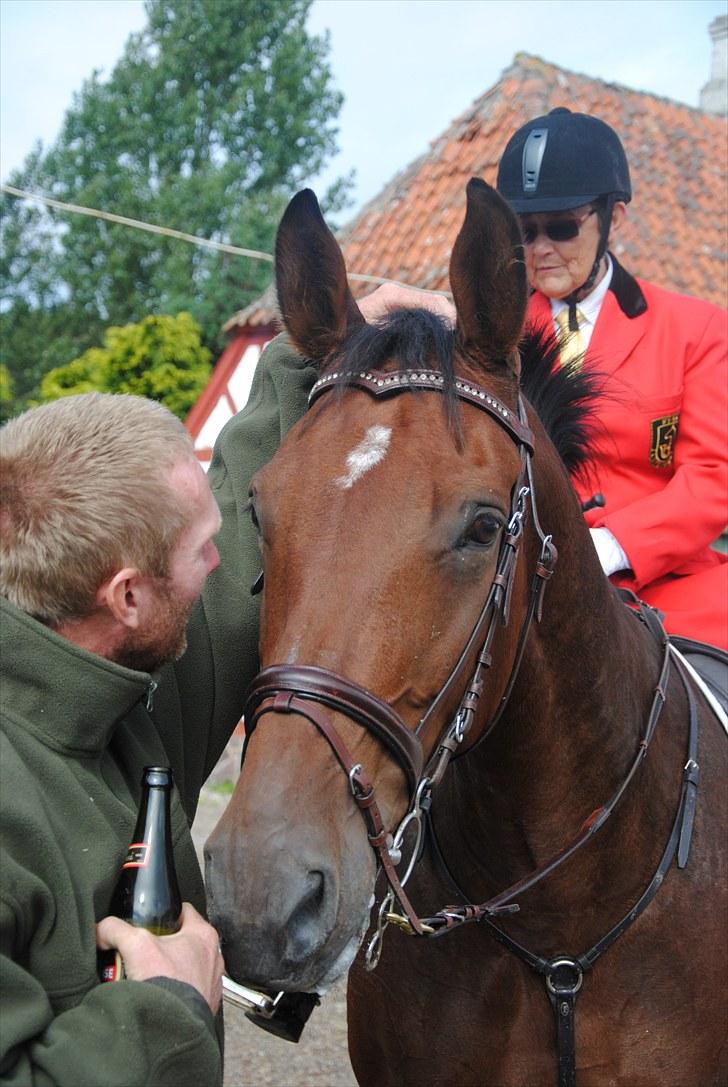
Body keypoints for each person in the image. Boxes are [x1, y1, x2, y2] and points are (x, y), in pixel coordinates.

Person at [0, 392, 252, 1085]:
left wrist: (305, 354)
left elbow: (235, 585)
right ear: (129, 598)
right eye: (202, 545)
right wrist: (164, 1009)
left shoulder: (113, 678)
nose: (221, 560)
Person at [496, 108, 728, 650]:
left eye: (561, 227)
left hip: (665, 585)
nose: (540, 248)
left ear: (613, 218)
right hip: (520, 581)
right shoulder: (495, 337)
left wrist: (614, 546)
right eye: (524, 232)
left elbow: (713, 477)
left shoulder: (699, 330)